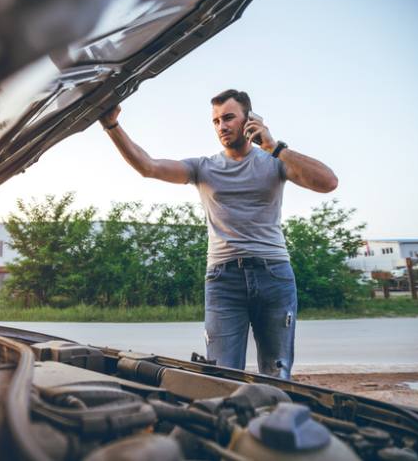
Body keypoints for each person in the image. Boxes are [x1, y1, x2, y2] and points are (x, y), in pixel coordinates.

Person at [99, 89, 338, 379]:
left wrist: (274, 146)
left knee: (277, 376)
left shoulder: (274, 162)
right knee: (221, 377)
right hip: (224, 281)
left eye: (228, 118)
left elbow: (328, 182)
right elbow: (148, 167)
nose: (221, 126)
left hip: (274, 274)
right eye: (215, 121)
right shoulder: (204, 168)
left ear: (249, 120)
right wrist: (112, 126)